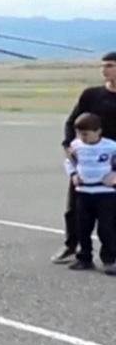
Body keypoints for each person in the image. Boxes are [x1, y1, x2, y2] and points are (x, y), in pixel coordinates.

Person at [55, 52, 116, 264]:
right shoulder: (91, 95)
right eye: (103, 66)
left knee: (109, 215)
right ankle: (72, 247)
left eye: (109, 65)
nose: (104, 70)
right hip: (87, 163)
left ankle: (110, 256)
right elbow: (72, 122)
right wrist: (69, 146)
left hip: (112, 163)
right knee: (76, 209)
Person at [62, 113, 116, 274]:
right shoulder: (76, 146)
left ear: (98, 131)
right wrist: (73, 174)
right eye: (79, 133)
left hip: (104, 193)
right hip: (84, 192)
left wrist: (114, 174)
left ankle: (109, 259)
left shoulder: (110, 146)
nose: (82, 137)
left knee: (107, 228)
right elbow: (69, 161)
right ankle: (84, 257)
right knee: (82, 227)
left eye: (86, 134)